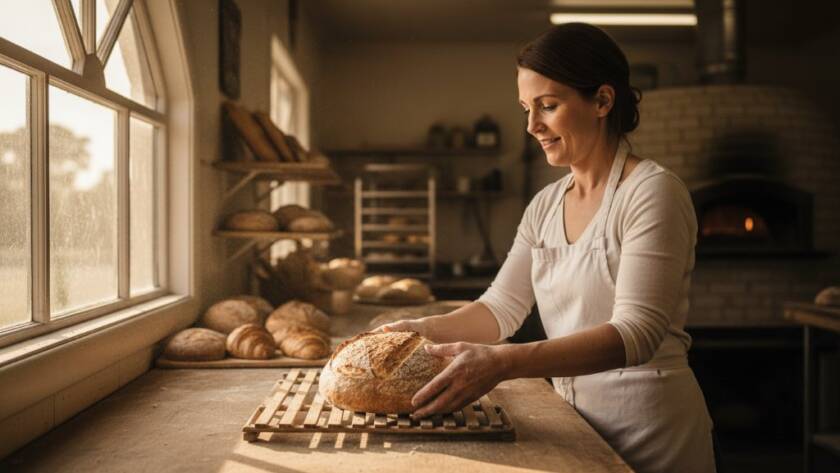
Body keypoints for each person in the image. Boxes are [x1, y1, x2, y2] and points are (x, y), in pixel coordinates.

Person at [376, 23, 716, 473]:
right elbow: (500, 308)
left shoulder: (652, 192)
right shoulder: (545, 205)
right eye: (526, 109)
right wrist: (421, 330)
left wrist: (505, 362)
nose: (532, 126)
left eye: (548, 106)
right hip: (574, 426)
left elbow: (637, 333)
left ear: (602, 101)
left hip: (652, 433)